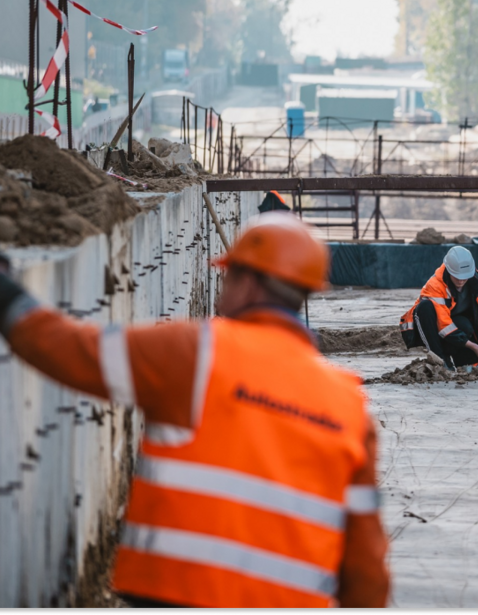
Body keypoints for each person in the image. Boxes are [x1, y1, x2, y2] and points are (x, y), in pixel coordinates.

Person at [0, 215, 389, 609]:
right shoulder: (349, 404)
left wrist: (6, 292)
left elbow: (69, 350)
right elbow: (366, 565)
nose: (221, 291)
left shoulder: (195, 352)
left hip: (179, 594)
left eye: (227, 277)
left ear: (249, 282)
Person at [400, 246, 478, 369]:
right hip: (429, 328)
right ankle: (439, 359)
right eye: (457, 277)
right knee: (425, 307)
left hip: (455, 328)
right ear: (449, 270)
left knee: (473, 355)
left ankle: (454, 358)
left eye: (464, 277)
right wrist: (472, 345)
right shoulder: (435, 285)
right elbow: (443, 324)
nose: (461, 281)